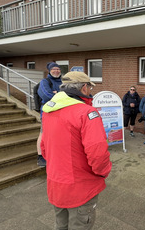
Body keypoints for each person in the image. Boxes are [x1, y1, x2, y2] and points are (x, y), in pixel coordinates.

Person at [40, 71, 112, 230]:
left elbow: (44, 147)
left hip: (56, 184)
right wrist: (104, 172)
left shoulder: (48, 111)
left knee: (61, 226)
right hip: (81, 187)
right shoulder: (87, 113)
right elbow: (98, 154)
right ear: (84, 88)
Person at [36, 62, 62, 167]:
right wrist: (60, 95)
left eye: (58, 69)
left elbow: (70, 95)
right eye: (54, 69)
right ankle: (40, 157)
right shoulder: (44, 81)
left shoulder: (63, 82)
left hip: (60, 112)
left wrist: (56, 94)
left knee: (57, 134)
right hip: (47, 112)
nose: (56, 71)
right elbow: (46, 95)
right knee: (43, 133)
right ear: (49, 71)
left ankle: (54, 154)